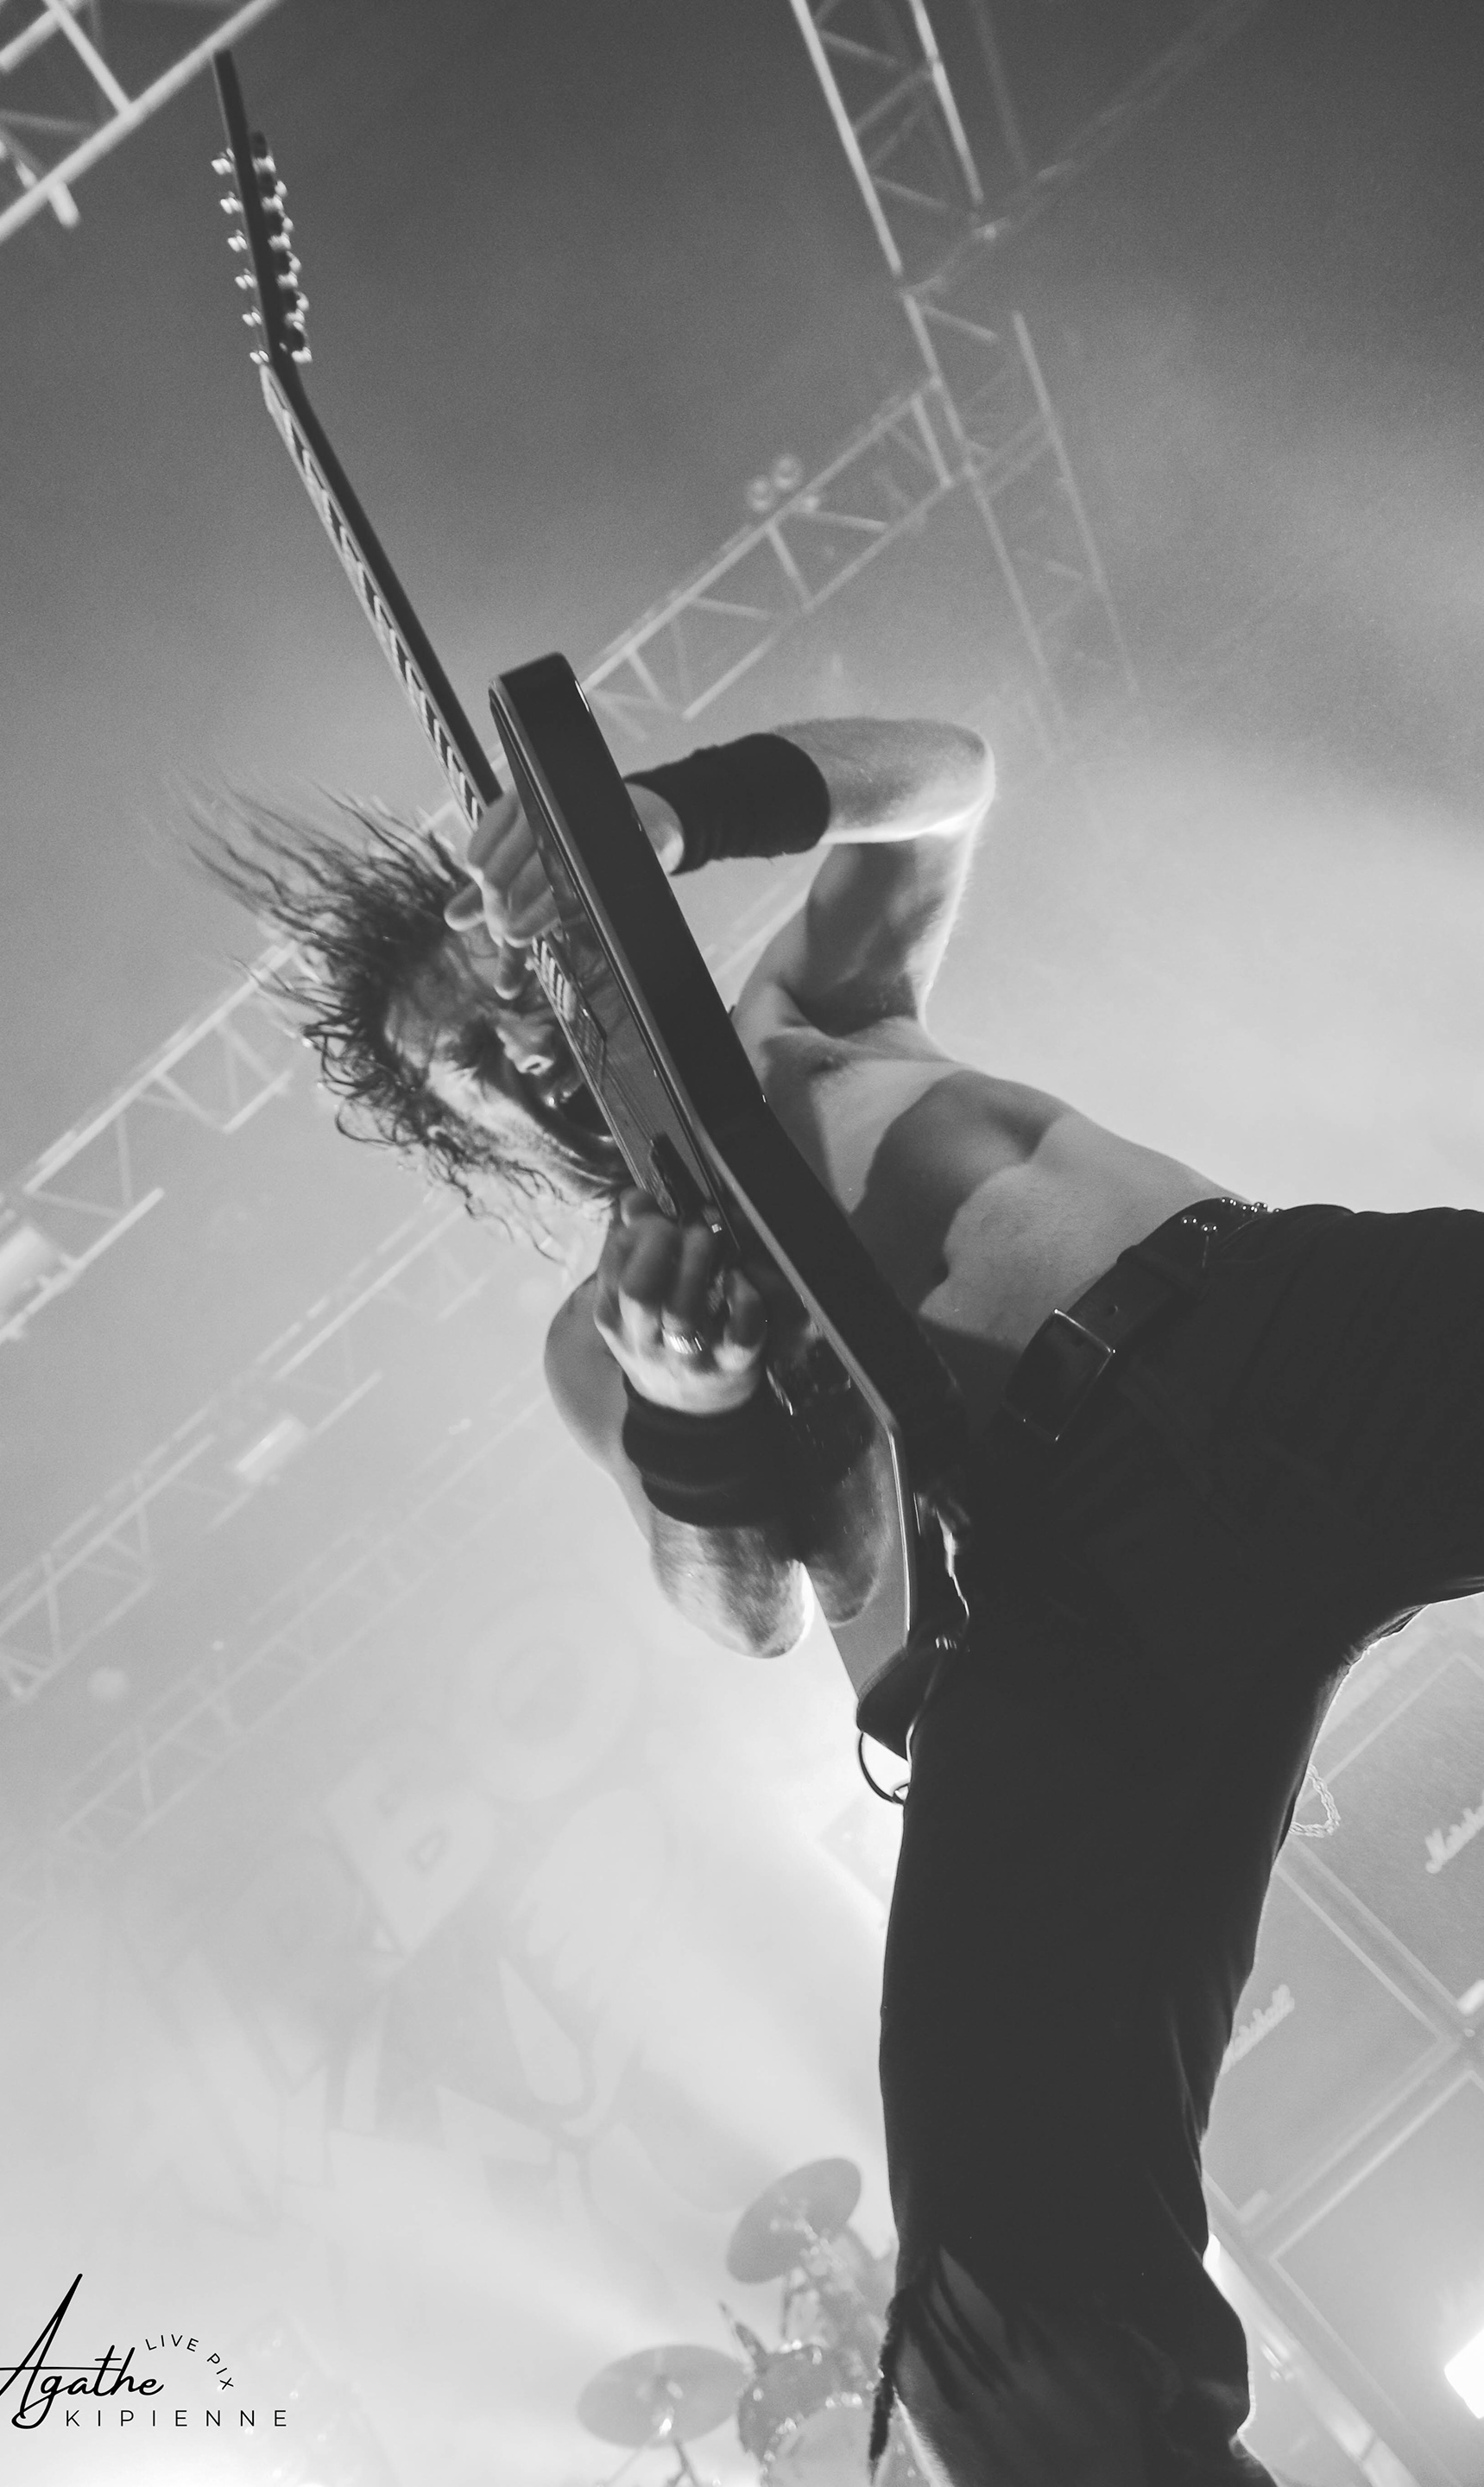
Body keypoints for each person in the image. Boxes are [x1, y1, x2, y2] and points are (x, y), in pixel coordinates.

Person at [218, 718, 1479, 2484]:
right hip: (1060, 1602)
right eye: (467, 1065)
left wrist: (662, 815)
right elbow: (744, 1612)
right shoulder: (600, 1342)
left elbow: (943, 777)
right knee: (997, 2300)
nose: (514, 1047)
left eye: (500, 984)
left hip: (1257, 1331)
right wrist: (697, 1409)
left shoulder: (797, 1020)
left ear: (550, 941)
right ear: (464, 1130)